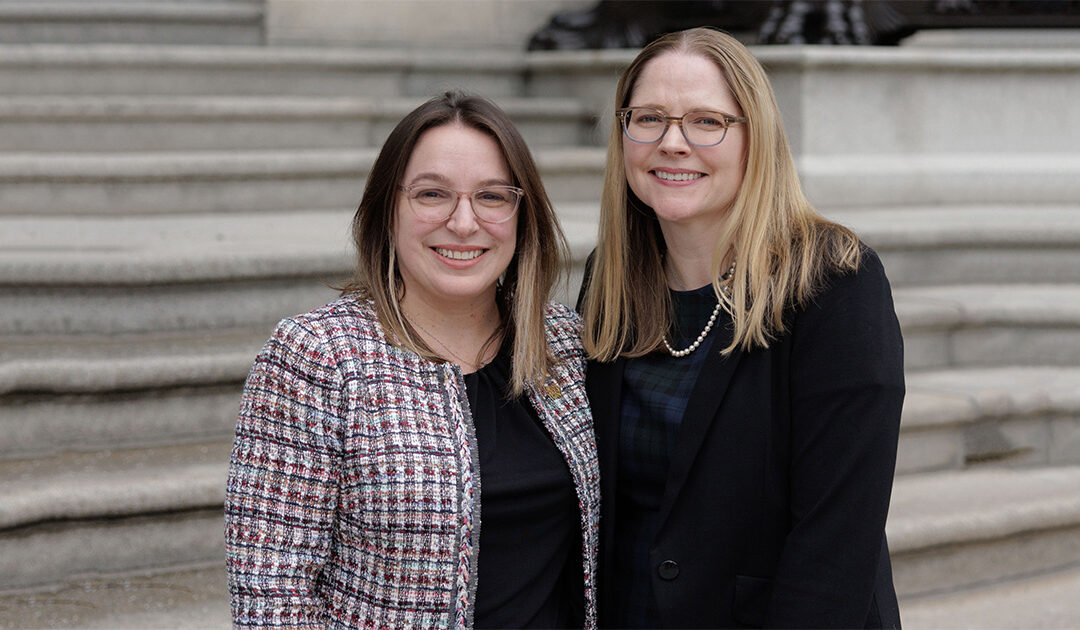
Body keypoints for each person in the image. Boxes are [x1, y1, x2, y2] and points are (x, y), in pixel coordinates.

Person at [225, 91, 599, 629]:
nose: (464, 223)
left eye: (492, 197)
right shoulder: (318, 357)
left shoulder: (563, 343)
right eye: (432, 194)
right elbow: (271, 597)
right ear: (387, 209)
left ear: (523, 214)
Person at [578, 28, 904, 628]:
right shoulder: (611, 278)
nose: (672, 143)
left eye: (707, 122)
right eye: (649, 118)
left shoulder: (833, 281)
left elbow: (836, 538)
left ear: (756, 139)